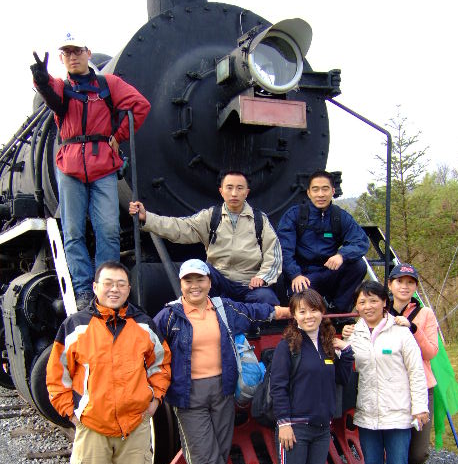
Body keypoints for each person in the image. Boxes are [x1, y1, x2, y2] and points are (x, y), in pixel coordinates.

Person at [46, 261, 171, 464]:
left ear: (129, 288)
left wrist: (154, 400)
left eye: (121, 284)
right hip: (93, 427)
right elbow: (57, 375)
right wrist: (72, 413)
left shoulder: (143, 325)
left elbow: (160, 364)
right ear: (96, 287)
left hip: (135, 425)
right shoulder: (76, 326)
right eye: (108, 283)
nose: (114, 289)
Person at [153, 259, 290, 464]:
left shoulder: (223, 309)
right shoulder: (169, 316)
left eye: (200, 280)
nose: (195, 286)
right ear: (181, 284)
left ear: (209, 282)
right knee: (204, 456)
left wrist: (295, 312)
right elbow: (147, 345)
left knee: (219, 451)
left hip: (223, 390)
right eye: (189, 281)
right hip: (188, 395)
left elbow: (256, 312)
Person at [30, 34, 151, 309]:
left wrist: (118, 136)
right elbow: (50, 92)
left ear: (88, 53)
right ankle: (85, 290)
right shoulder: (61, 87)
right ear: (61, 58)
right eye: (67, 53)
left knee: (108, 230)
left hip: (103, 165)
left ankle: (106, 287)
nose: (72, 56)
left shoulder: (109, 84)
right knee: (73, 232)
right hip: (70, 167)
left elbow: (140, 105)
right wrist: (41, 79)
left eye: (77, 51)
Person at [270, 289, 353, 464]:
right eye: (302, 311)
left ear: (322, 312)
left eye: (313, 310)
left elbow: (341, 379)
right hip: (295, 429)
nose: (309, 316)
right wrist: (284, 423)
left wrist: (347, 352)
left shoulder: (327, 346)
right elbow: (278, 387)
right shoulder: (287, 347)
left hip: (321, 428)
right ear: (294, 316)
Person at [345, 281, 429, 464]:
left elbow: (416, 372)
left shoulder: (401, 333)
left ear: (384, 303)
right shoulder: (354, 334)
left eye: (373, 300)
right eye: (362, 302)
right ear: (356, 306)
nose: (367, 306)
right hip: (368, 413)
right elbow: (345, 361)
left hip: (398, 412)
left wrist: (420, 407)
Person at [129, 170, 282, 304]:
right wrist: (147, 218)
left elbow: (273, 252)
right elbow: (180, 227)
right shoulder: (211, 216)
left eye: (239, 188)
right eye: (229, 188)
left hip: (248, 283)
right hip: (218, 280)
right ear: (221, 191)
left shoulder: (260, 219)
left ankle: (254, 325)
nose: (234, 193)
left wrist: (263, 277)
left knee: (267, 299)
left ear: (247, 192)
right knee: (202, 269)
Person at [387, 263, 438, 464]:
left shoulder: (425, 314)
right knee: (397, 449)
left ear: (415, 287)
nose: (404, 287)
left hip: (420, 388)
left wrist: (413, 329)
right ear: (390, 285)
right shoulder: (380, 311)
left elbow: (431, 352)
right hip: (392, 389)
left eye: (410, 282)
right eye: (400, 281)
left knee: (418, 452)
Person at [277, 170, 370, 312]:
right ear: (309, 193)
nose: (320, 194)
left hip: (330, 271)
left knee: (358, 266)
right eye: (315, 189)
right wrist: (295, 274)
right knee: (301, 294)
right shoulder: (294, 215)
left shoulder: (340, 217)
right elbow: (283, 250)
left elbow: (360, 241)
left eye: (325, 189)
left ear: (332, 191)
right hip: (304, 275)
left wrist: (342, 255)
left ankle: (338, 311)